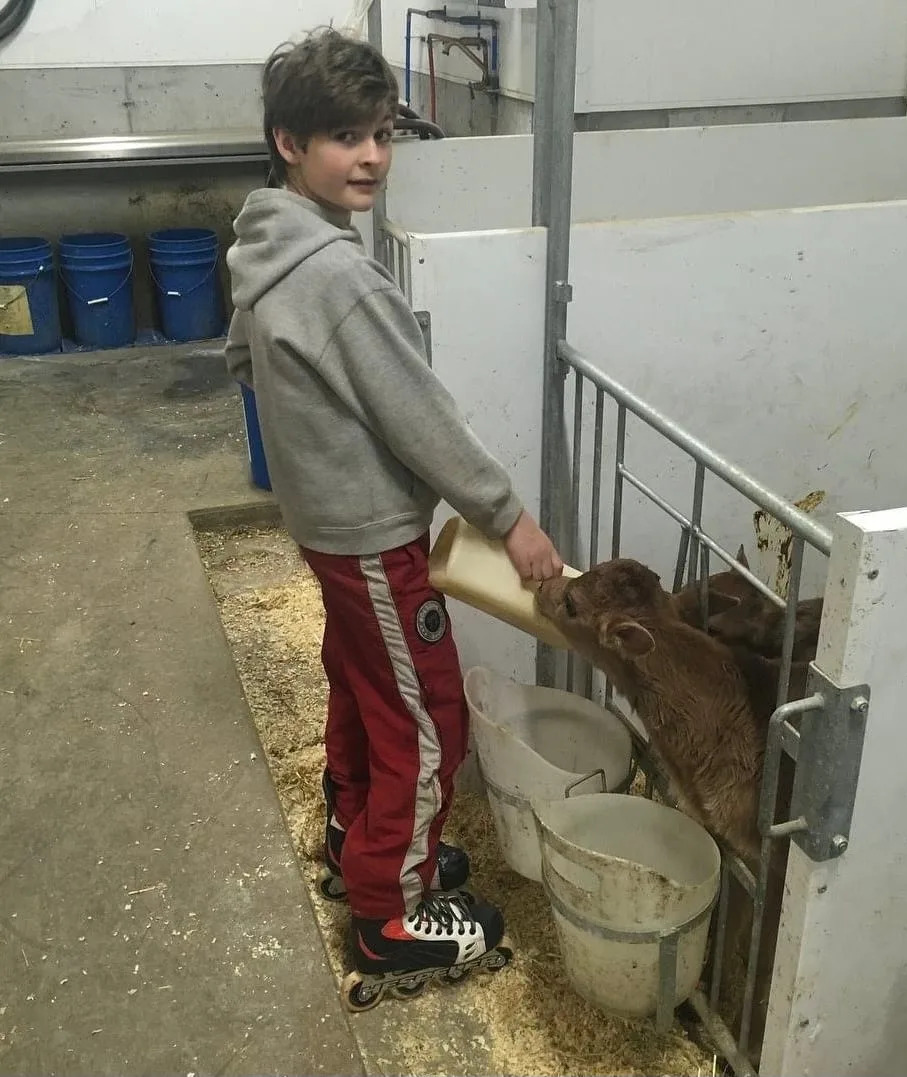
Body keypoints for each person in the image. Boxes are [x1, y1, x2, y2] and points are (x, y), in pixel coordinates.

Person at [224, 27, 563, 997]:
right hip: (372, 537)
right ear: (289, 142)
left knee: (365, 685)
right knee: (427, 720)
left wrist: (310, 450)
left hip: (326, 528)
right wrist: (508, 518)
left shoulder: (265, 245)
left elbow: (241, 361)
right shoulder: (338, 278)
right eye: (346, 137)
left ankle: (357, 833)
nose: (372, 156)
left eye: (381, 133)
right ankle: (391, 912)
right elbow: (423, 420)